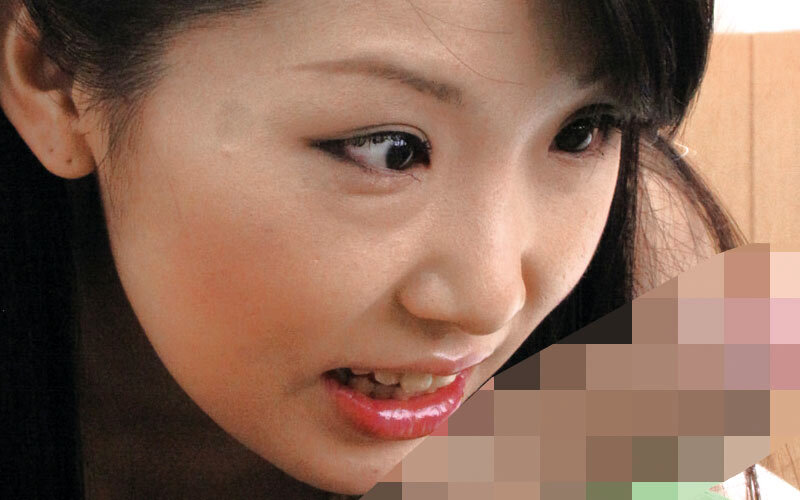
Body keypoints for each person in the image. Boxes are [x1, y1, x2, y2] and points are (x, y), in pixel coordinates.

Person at [0, 0, 743, 498]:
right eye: (388, 149)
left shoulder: (660, 304)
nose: (492, 299)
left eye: (581, 132)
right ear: (57, 81)